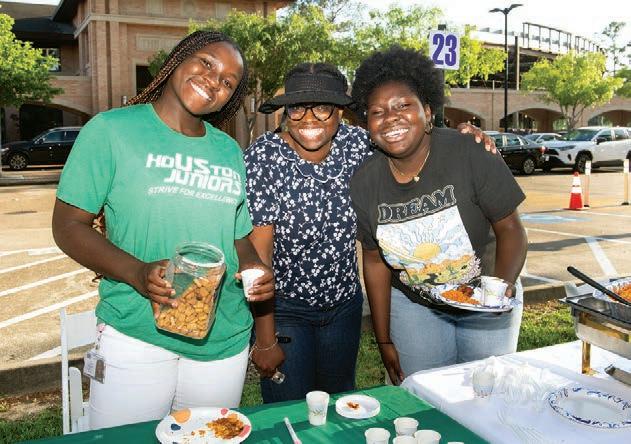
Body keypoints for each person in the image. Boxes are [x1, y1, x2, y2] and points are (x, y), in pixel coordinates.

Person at [51, 30, 274, 430]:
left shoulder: (227, 150)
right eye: (207, 63)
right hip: (137, 329)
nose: (214, 81)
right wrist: (137, 272)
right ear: (178, 58)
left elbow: (237, 235)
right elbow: (68, 226)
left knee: (206, 438)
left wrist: (254, 266)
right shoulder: (111, 130)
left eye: (228, 82)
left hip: (222, 338)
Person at [244, 62, 496, 403]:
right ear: (286, 111)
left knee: (338, 407)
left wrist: (465, 135)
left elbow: (413, 140)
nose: (309, 119)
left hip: (343, 308)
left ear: (340, 112)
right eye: (298, 108)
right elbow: (259, 256)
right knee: (288, 410)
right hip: (286, 309)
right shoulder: (264, 157)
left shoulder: (359, 145)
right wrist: (264, 338)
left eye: (322, 108)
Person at [349, 46, 528, 385]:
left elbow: (511, 230)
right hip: (417, 306)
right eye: (377, 112)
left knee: (485, 392)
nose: (391, 117)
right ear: (367, 124)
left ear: (428, 111)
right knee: (425, 393)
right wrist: (383, 339)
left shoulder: (469, 151)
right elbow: (373, 262)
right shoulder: (364, 182)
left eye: (404, 105)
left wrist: (497, 295)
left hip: (486, 296)